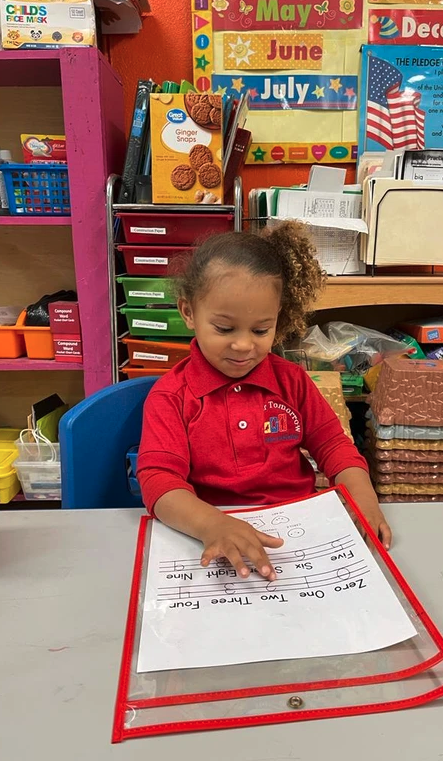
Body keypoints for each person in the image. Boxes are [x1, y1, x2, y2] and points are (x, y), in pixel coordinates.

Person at [137, 221, 391, 581]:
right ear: (188, 312)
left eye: (260, 330)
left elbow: (334, 446)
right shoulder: (171, 397)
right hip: (206, 538)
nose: (244, 345)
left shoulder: (293, 382)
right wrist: (212, 524)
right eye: (224, 329)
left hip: (295, 537)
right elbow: (159, 481)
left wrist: (364, 498)